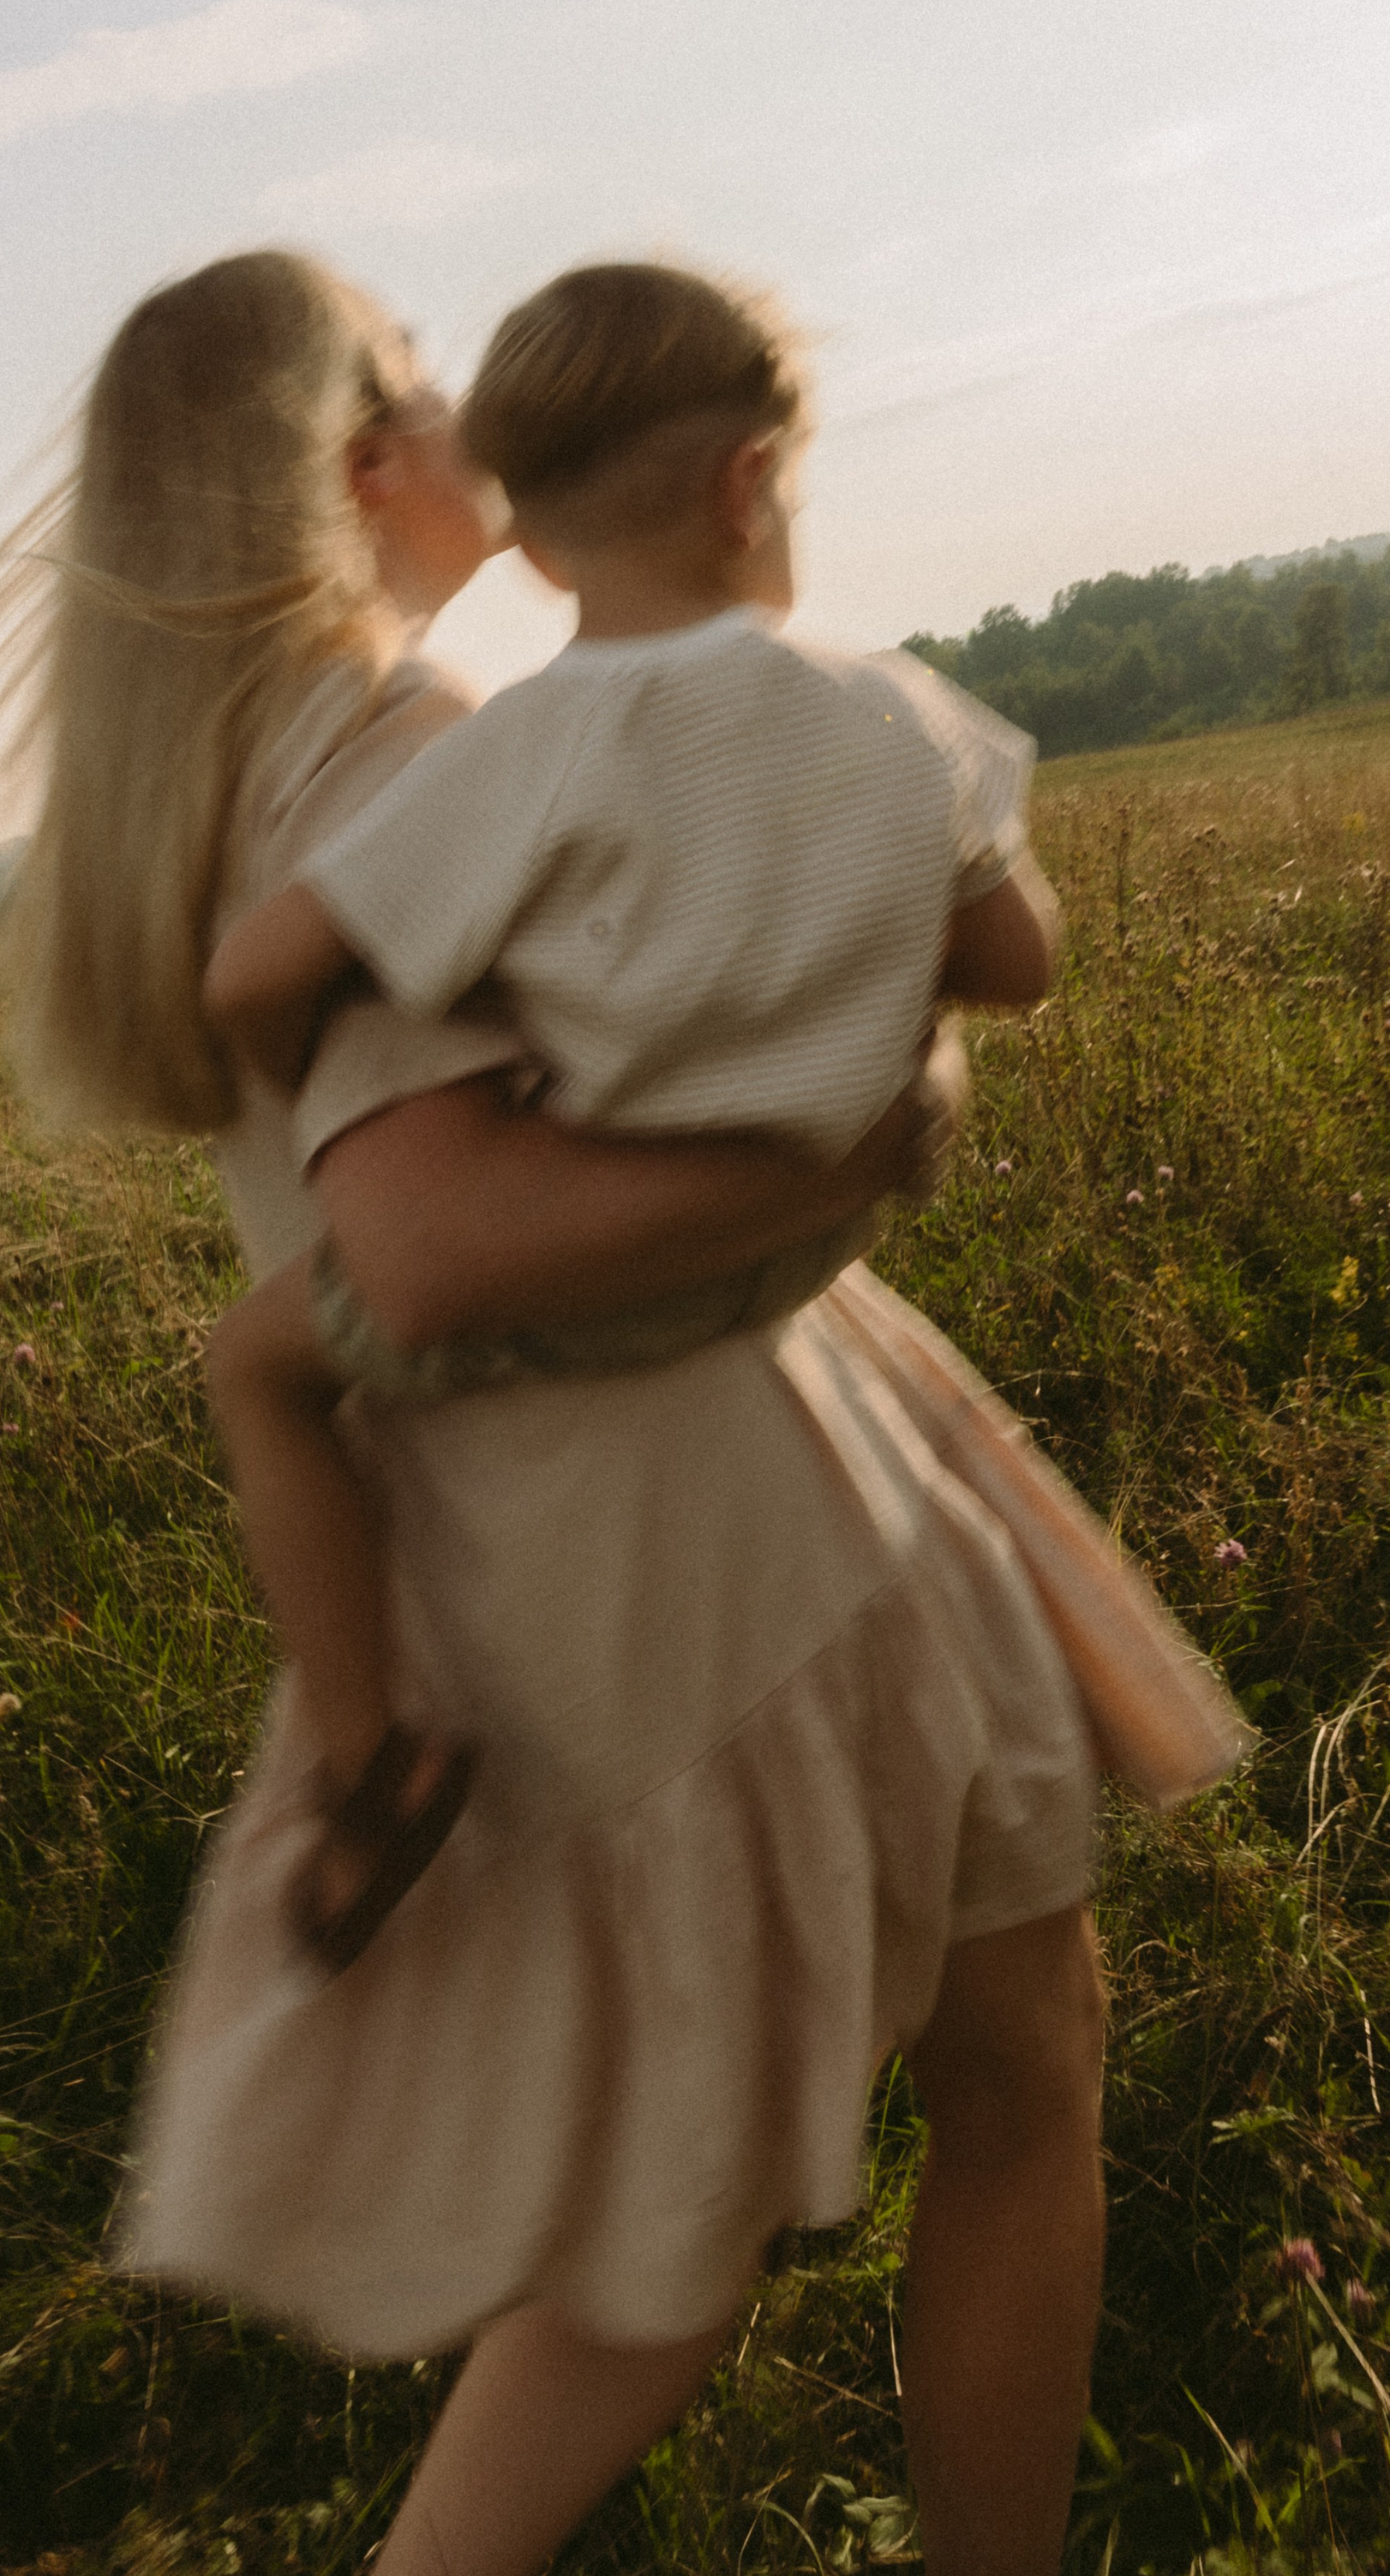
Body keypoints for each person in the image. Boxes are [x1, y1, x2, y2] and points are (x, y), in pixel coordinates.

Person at [0, 247, 1249, 2576]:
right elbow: (439, 1240)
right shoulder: (413, 741)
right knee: (864, 2139)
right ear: (362, 466)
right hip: (706, 1499)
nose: (473, 430)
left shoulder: (212, 785)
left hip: (533, 1509)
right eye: (430, 390)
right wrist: (861, 1125)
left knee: (747, 2166)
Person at [195, 261, 1069, 1977]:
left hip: (601, 1288)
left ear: (527, 542)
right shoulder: (896, 705)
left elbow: (247, 981)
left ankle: (372, 1763)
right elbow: (1015, 957)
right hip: (809, 1252)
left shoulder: (503, 760)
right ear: (752, 482)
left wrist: (411, 1005)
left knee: (253, 1367)